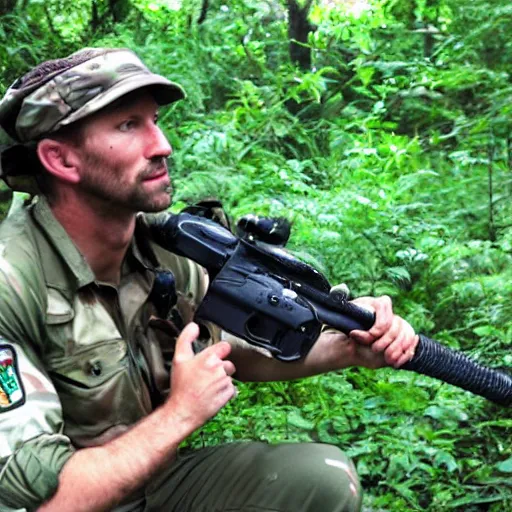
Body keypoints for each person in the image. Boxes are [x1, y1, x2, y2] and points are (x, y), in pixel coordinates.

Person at [0, 48, 418, 512]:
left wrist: (348, 347)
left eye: (154, 120)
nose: (161, 145)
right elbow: (44, 502)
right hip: (64, 501)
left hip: (148, 487)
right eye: (127, 125)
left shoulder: (163, 249)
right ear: (61, 159)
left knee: (321, 480)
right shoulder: (11, 282)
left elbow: (231, 350)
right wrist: (181, 414)